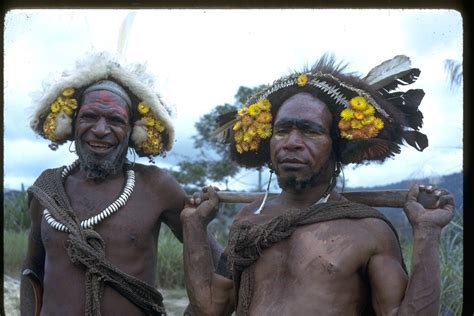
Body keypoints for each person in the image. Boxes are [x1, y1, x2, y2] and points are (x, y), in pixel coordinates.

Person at [180, 54, 455, 315]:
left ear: (337, 148)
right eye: (282, 131)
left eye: (311, 131)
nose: (292, 142)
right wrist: (193, 226)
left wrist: (427, 232)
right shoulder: (248, 221)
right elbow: (210, 309)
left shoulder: (370, 231)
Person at [20, 52, 221, 315]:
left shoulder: (157, 186)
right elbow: (32, 269)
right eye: (89, 117)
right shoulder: (47, 189)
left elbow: (219, 263)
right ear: (71, 122)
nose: (101, 129)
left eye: (115, 120)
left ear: (132, 131)